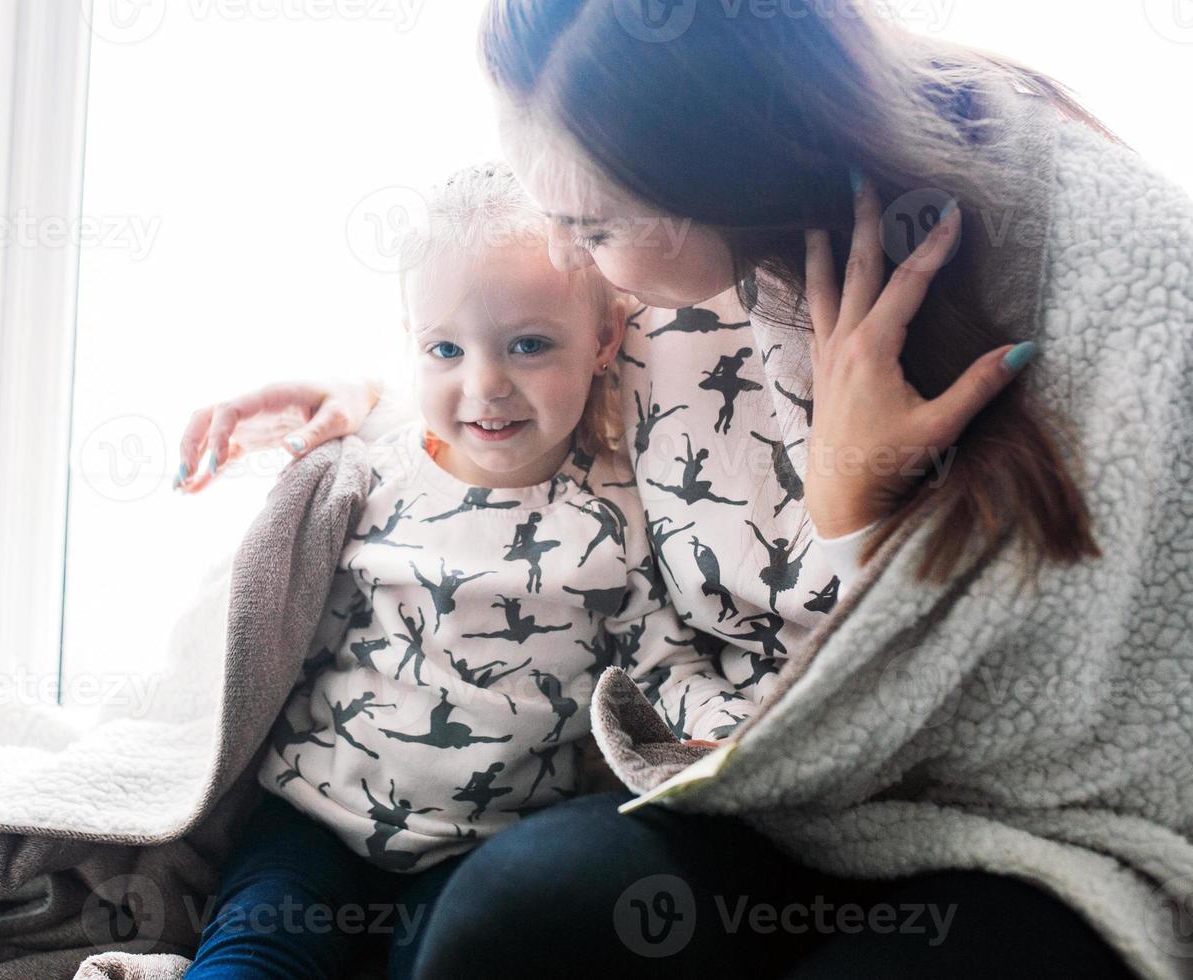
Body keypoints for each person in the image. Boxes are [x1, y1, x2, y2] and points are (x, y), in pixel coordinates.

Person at [175, 2, 1185, 975]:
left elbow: (1092, 657)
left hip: (1023, 823)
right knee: (510, 920)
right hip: (740, 776)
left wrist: (856, 512)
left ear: (723, 169)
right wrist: (386, 403)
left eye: (594, 226)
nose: (574, 255)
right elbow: (532, 363)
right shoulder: (655, 262)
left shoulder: (1098, 258)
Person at [183, 164, 866, 979]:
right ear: (410, 342)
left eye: (529, 345)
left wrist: (728, 736)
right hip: (311, 824)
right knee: (250, 961)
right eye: (445, 348)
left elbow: (655, 664)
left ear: (605, 341)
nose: (485, 386)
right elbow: (280, 634)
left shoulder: (619, 514)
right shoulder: (377, 477)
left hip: (474, 852)